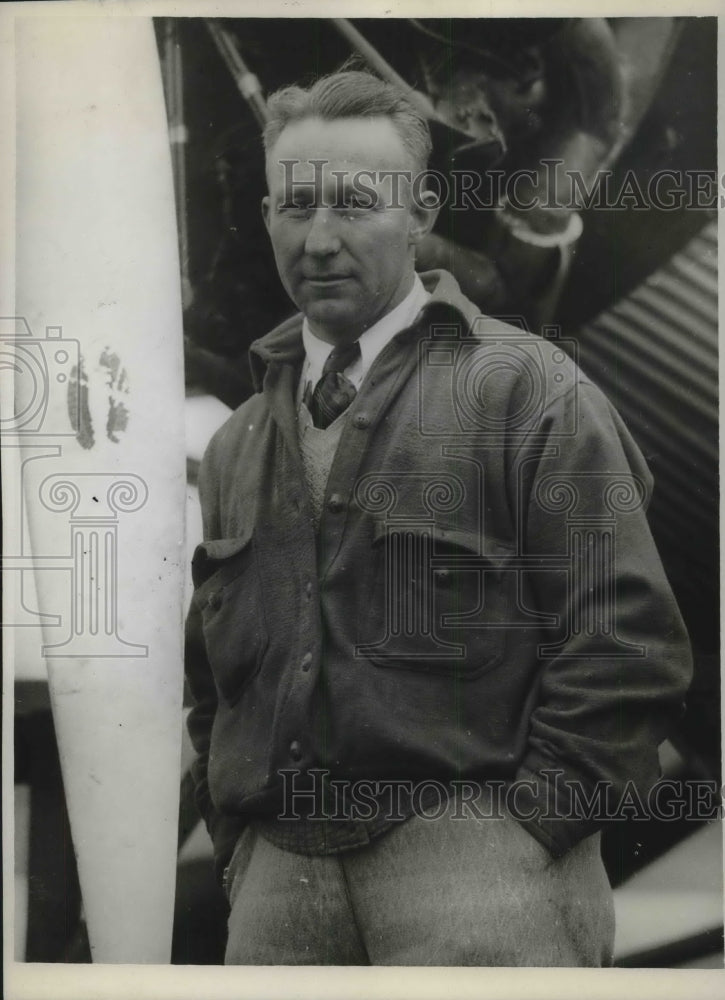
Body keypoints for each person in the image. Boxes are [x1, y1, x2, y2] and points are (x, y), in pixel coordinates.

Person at [185, 70, 692, 966]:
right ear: (265, 214)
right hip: (276, 892)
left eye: (356, 203)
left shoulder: (528, 389)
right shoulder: (237, 442)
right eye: (294, 205)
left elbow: (628, 642)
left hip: (479, 870)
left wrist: (530, 832)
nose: (321, 238)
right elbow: (211, 690)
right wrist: (240, 857)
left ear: (420, 213)